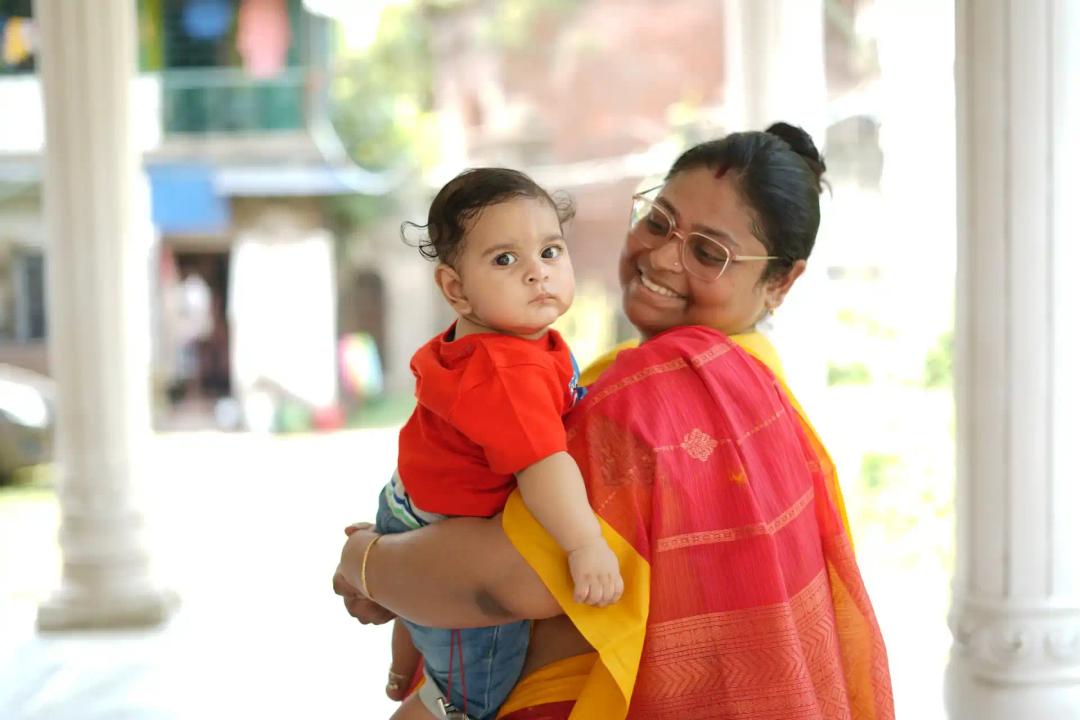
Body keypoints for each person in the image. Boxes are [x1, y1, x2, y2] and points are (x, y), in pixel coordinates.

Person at [335, 125, 895, 720]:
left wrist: (363, 564)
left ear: (782, 282)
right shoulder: (752, 384)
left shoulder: (672, 389)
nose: (660, 255)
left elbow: (506, 583)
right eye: (658, 221)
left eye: (708, 253)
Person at [375, 168, 624, 720]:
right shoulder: (506, 370)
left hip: (410, 502)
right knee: (472, 695)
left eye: (551, 251)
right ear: (456, 289)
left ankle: (401, 661)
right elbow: (543, 466)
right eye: (505, 260)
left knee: (425, 628)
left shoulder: (503, 338)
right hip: (440, 529)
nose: (538, 273)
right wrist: (585, 545)